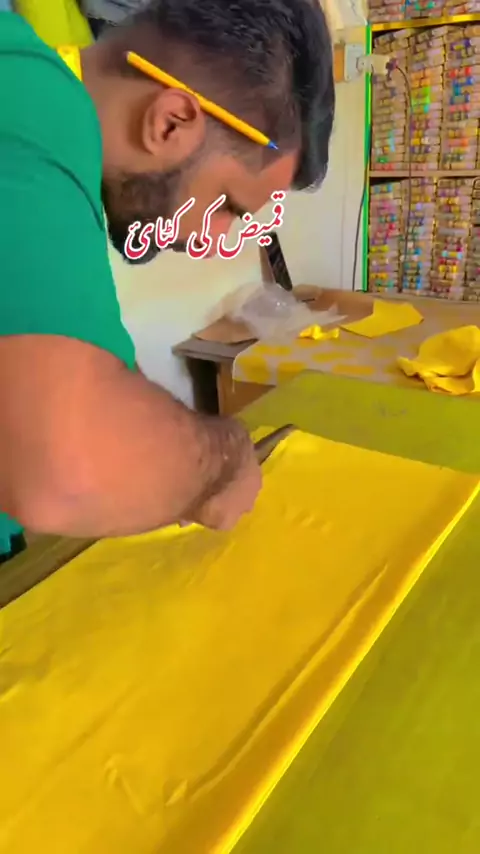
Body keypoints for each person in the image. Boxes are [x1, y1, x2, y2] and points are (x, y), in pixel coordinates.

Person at [0, 0, 334, 554]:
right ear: (170, 122)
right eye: (228, 206)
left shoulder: (46, 137)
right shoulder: (30, 98)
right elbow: (64, 468)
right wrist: (221, 461)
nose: (216, 238)